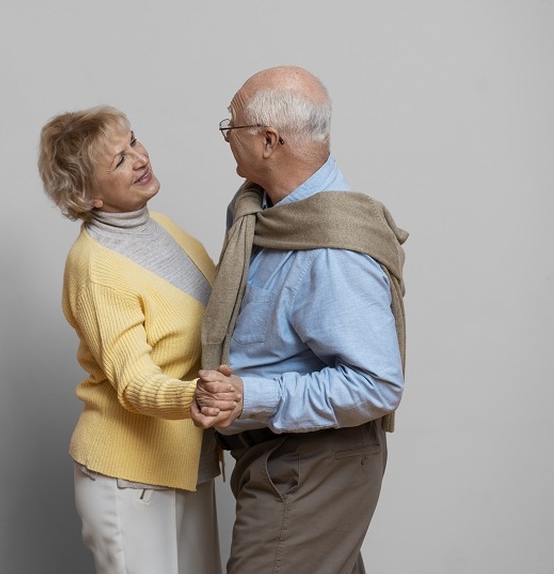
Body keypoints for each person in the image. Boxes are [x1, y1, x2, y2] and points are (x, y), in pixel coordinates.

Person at [191, 65, 408, 573]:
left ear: (269, 141)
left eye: (233, 125)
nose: (227, 135)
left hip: (312, 463)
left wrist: (250, 395)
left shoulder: (332, 252)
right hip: (276, 457)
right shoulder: (259, 211)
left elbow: (376, 384)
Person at [37, 105, 234, 574]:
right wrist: (201, 398)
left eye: (134, 142)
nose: (140, 158)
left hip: (186, 462)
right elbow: (133, 382)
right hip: (130, 479)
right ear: (88, 195)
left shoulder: (165, 229)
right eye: (119, 160)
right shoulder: (94, 268)